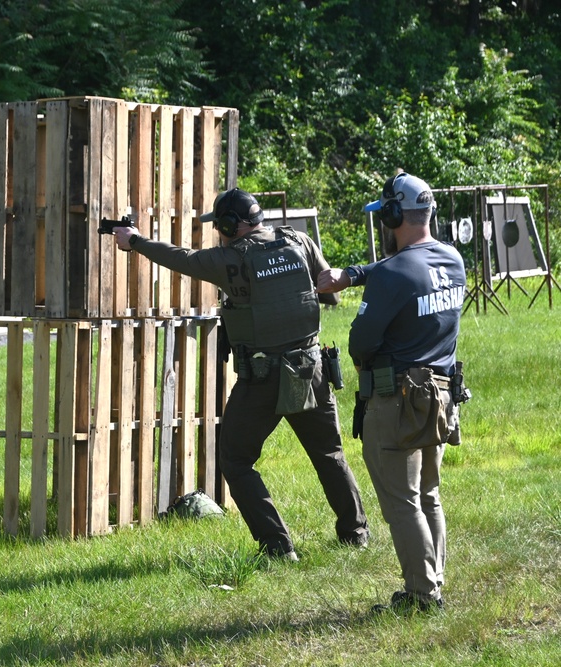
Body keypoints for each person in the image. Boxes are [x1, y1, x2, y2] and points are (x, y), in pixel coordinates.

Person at [112, 188, 370, 561]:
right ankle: (355, 534)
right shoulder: (298, 239)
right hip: (310, 369)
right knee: (329, 454)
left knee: (235, 460)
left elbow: (180, 258)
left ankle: (278, 548)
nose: (218, 233)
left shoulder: (229, 259)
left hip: (263, 377)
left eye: (220, 226)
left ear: (232, 225)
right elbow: (328, 292)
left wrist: (134, 240)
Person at [319, 172, 466, 614]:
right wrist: (354, 274)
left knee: (402, 502)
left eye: (385, 215)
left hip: (396, 399)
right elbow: (399, 271)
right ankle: (433, 581)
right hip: (439, 397)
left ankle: (422, 596)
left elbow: (361, 342)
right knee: (428, 494)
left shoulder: (393, 273)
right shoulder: (453, 259)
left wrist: (360, 279)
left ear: (394, 214)